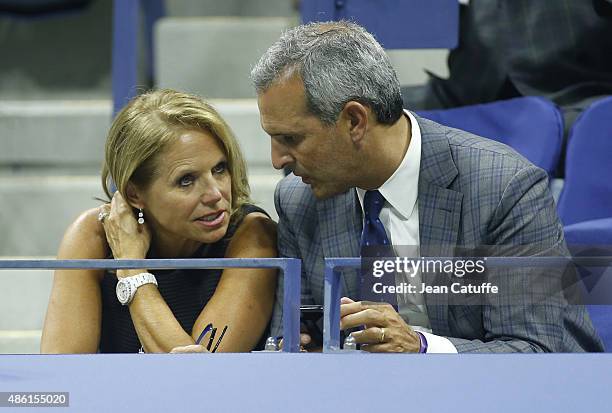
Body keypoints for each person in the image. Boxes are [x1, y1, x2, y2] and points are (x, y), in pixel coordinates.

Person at [250, 21, 603, 352]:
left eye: (290, 138)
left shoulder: (504, 188)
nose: (278, 159)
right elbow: (292, 335)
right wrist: (299, 346)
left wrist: (421, 347)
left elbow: (534, 349)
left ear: (354, 120)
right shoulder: (299, 200)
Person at [41, 89, 277, 353]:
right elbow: (62, 373)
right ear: (135, 194)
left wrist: (132, 270)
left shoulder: (254, 236)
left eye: (219, 169)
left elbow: (201, 375)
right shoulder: (92, 236)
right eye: (186, 180)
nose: (215, 194)